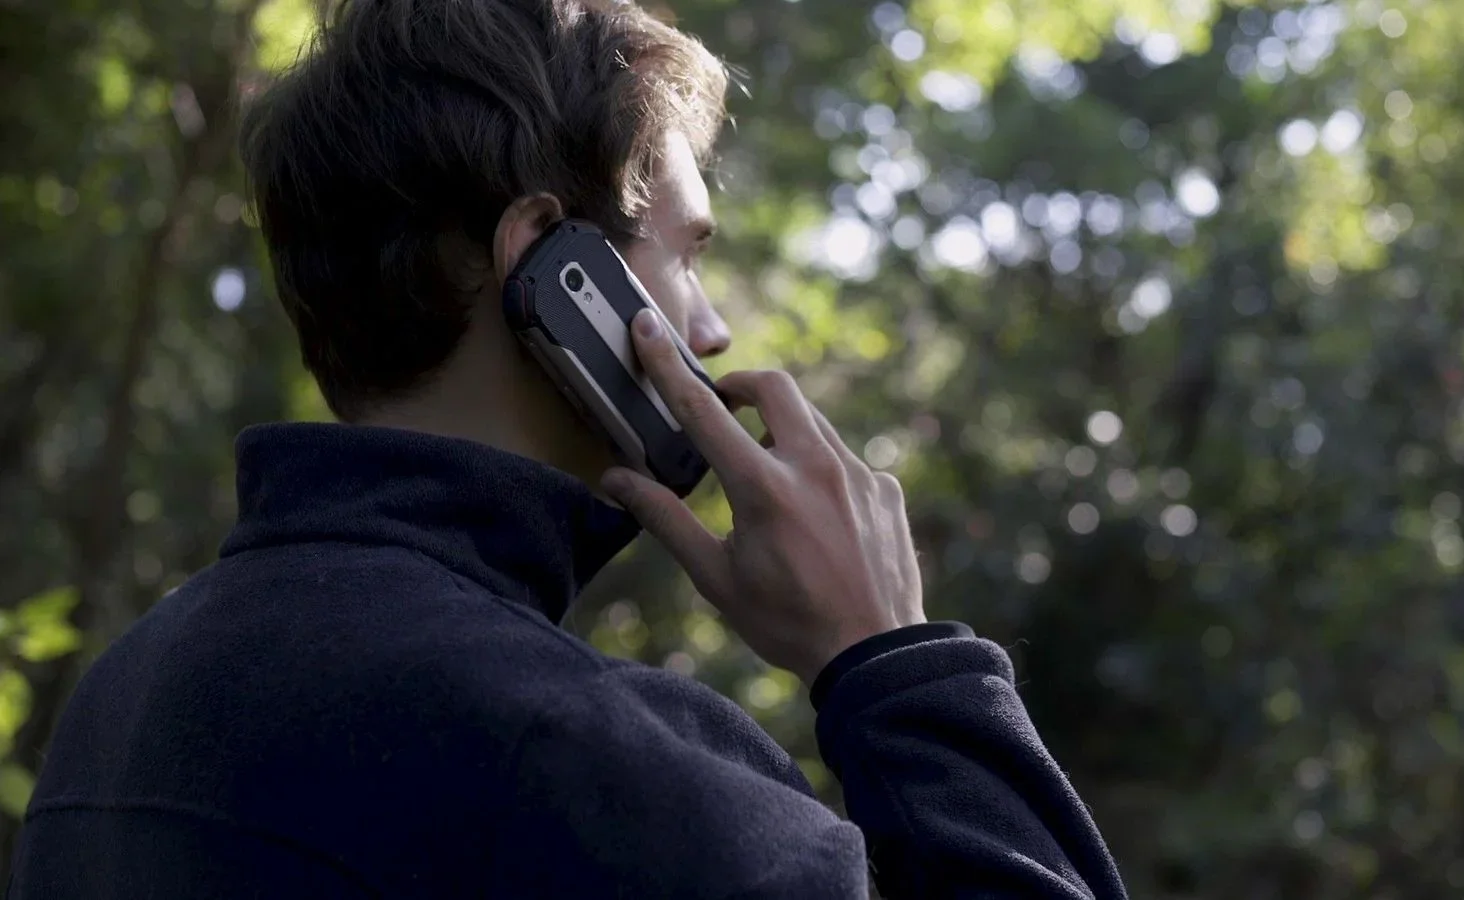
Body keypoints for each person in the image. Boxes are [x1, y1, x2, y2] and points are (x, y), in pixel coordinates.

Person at [7, 0, 1127, 897]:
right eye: (687, 255)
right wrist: (892, 658)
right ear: (552, 260)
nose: (711, 332)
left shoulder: (119, 702)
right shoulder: (564, 748)